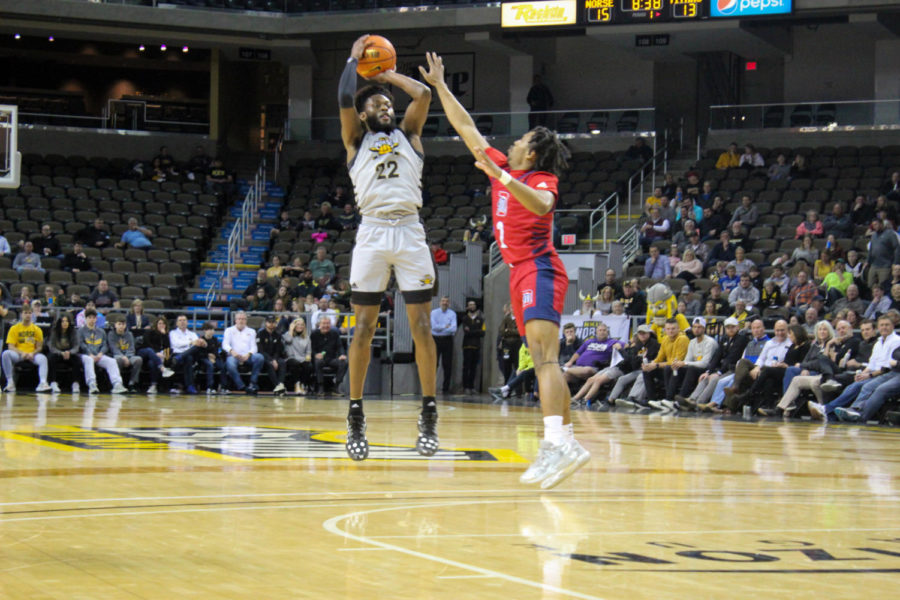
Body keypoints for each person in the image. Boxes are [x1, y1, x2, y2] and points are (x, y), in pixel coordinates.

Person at [422, 51, 589, 489]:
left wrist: (506, 176)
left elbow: (545, 206)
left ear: (530, 153)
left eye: (520, 142)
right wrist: (441, 87)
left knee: (546, 360)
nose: (512, 142)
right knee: (541, 360)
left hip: (539, 267)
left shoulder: (536, 180)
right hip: (518, 270)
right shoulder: (502, 169)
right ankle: (565, 442)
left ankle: (557, 444)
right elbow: (466, 128)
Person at [340, 36, 441, 461]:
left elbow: (422, 93)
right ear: (363, 115)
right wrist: (354, 59)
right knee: (363, 327)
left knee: (421, 327)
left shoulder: (410, 134)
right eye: (377, 104)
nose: (386, 106)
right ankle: (356, 412)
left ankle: (429, 412)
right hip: (373, 233)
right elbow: (346, 93)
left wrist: (385, 75)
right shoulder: (354, 140)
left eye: (388, 103)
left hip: (410, 231)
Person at [2, 304, 51, 392]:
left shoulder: (37, 329)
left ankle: (43, 383)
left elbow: (39, 347)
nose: (28, 315)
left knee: (43, 358)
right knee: (5, 354)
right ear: (21, 314)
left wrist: (33, 353)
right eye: (25, 313)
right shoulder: (14, 328)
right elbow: (10, 346)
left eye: (29, 313)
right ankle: (10, 382)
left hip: (32, 354)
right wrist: (22, 353)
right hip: (18, 354)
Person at [78, 308, 126, 395]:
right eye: (89, 318)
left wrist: (101, 353)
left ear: (96, 319)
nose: (92, 320)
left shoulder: (101, 331)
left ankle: (117, 384)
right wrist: (90, 354)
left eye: (93, 318)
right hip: (85, 355)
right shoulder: (81, 331)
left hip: (99, 355)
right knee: (89, 360)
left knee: (112, 361)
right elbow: (81, 345)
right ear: (85, 319)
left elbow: (105, 345)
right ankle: (92, 384)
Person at [222, 311, 265, 394]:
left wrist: (248, 354)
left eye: (243, 319)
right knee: (229, 362)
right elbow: (225, 344)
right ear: (235, 320)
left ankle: (252, 383)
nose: (241, 321)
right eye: (239, 319)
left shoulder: (251, 331)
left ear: (246, 320)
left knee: (260, 357)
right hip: (234, 356)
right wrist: (232, 351)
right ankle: (241, 386)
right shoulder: (229, 330)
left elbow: (254, 347)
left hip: (247, 356)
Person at [310, 315, 347, 395]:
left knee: (344, 362)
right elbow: (311, 349)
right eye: (324, 323)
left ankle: (336, 387)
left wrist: (342, 354)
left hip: (331, 359)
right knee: (318, 362)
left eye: (328, 323)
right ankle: (320, 387)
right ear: (319, 324)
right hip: (319, 359)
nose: (326, 326)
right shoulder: (314, 334)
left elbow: (340, 346)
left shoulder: (335, 333)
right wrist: (315, 355)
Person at [169, 315, 205, 395]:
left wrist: (202, 343)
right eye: (180, 320)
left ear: (187, 322)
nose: (182, 322)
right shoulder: (173, 333)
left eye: (184, 320)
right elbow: (177, 344)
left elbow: (197, 344)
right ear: (177, 323)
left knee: (197, 347)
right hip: (177, 353)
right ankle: (190, 386)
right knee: (188, 358)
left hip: (185, 356)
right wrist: (191, 342)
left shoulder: (192, 334)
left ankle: (180, 357)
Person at [139, 315, 175, 394]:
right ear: (156, 324)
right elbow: (147, 344)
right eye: (160, 323)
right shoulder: (149, 332)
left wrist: (164, 335)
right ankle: (162, 368)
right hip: (145, 353)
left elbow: (167, 348)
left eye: (163, 324)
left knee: (152, 363)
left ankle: (153, 385)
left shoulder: (166, 335)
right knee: (149, 350)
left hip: (155, 358)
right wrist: (156, 353)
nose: (161, 326)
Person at [48, 313, 82, 393]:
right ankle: (53, 382)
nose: (65, 323)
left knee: (77, 360)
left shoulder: (73, 331)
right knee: (50, 358)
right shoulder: (54, 331)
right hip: (57, 352)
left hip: (69, 352)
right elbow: (51, 346)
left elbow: (76, 346)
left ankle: (75, 383)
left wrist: (69, 352)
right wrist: (60, 353)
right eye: (63, 321)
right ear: (59, 323)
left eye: (67, 321)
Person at [108, 318, 144, 393]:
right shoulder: (111, 334)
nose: (121, 326)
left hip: (129, 356)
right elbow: (113, 348)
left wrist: (127, 357)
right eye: (119, 324)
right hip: (116, 355)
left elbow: (131, 348)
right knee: (118, 360)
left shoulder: (129, 334)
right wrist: (123, 357)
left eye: (123, 324)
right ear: (115, 325)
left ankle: (132, 383)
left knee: (138, 359)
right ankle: (118, 383)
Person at [431, 295, 457, 394]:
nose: (444, 303)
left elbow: (453, 328)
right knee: (434, 364)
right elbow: (434, 327)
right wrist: (446, 326)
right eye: (443, 301)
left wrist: (440, 327)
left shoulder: (452, 313)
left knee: (447, 365)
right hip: (435, 340)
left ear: (449, 303)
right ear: (439, 302)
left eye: (446, 301)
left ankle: (445, 388)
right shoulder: (434, 313)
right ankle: (431, 388)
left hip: (447, 340)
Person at [257, 315, 287, 394]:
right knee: (269, 364)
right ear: (266, 323)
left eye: (273, 322)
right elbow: (261, 350)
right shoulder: (260, 334)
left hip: (275, 358)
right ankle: (278, 386)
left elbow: (278, 350)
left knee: (282, 362)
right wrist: (270, 360)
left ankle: (281, 384)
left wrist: (274, 359)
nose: (271, 324)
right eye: (269, 322)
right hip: (264, 358)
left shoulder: (278, 335)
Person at [283, 317, 313, 395]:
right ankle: (296, 384)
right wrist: (291, 330)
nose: (300, 326)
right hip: (290, 357)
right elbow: (288, 340)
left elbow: (308, 351)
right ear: (293, 326)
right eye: (298, 324)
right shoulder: (287, 334)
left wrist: (308, 356)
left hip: (302, 358)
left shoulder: (307, 337)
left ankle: (302, 384)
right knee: (295, 364)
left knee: (308, 365)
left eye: (302, 325)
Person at [461, 300, 485, 395]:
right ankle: (465, 387)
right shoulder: (465, 318)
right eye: (470, 305)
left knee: (474, 368)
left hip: (476, 346)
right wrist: (476, 331)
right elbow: (466, 332)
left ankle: (471, 387)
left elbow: (483, 333)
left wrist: (472, 330)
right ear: (467, 307)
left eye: (473, 304)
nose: (472, 306)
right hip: (467, 346)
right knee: (466, 367)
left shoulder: (480, 319)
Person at [197, 322, 225, 394]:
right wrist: (208, 355)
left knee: (222, 366)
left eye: (213, 329)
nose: (212, 331)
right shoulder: (201, 340)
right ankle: (210, 387)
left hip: (214, 357)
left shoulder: (215, 339)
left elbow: (216, 350)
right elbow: (199, 353)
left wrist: (214, 357)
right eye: (210, 329)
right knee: (210, 365)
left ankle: (223, 387)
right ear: (205, 330)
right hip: (204, 358)